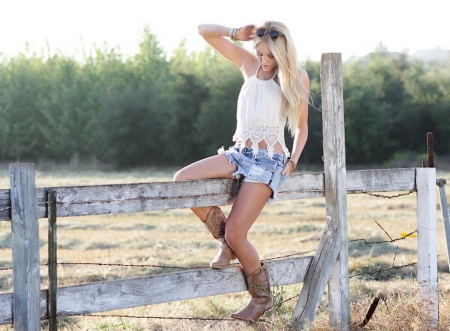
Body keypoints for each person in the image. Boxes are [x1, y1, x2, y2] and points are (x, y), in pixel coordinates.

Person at [173, 21, 310, 324]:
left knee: (239, 233)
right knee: (181, 181)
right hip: (239, 153)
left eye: (269, 55)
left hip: (269, 160)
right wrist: (235, 32)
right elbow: (203, 31)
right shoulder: (248, 64)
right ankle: (225, 241)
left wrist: (293, 161)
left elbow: (302, 128)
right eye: (259, 53)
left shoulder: (295, 77)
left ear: (282, 51)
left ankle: (260, 299)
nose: (263, 61)